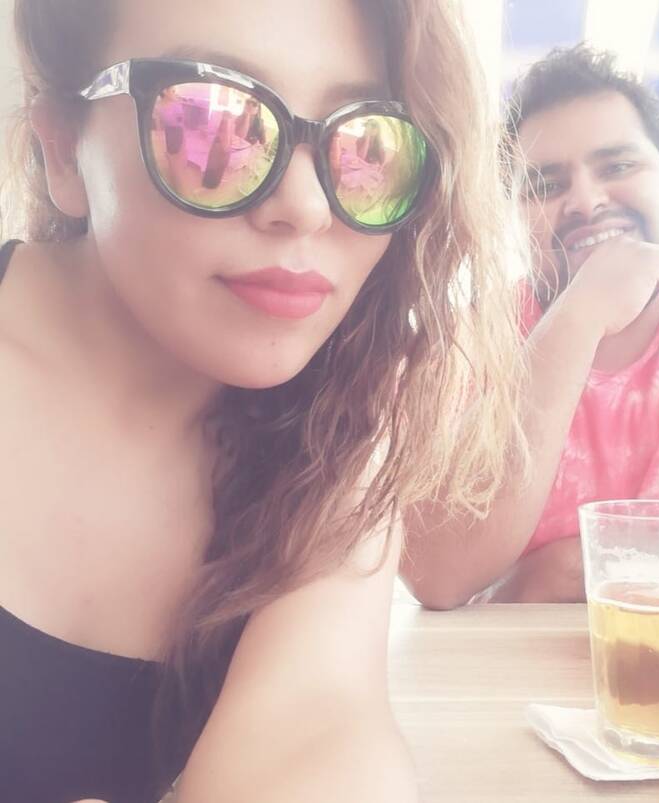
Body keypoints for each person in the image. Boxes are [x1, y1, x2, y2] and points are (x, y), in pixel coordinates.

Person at [0, 1, 528, 801]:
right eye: (213, 124)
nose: (306, 206)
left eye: (367, 146)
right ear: (64, 150)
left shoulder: (337, 428)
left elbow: (315, 730)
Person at [401, 44, 659, 608]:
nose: (586, 203)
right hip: (510, 665)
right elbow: (436, 574)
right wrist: (582, 311)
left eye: (618, 167)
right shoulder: (467, 341)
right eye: (545, 186)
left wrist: (584, 566)